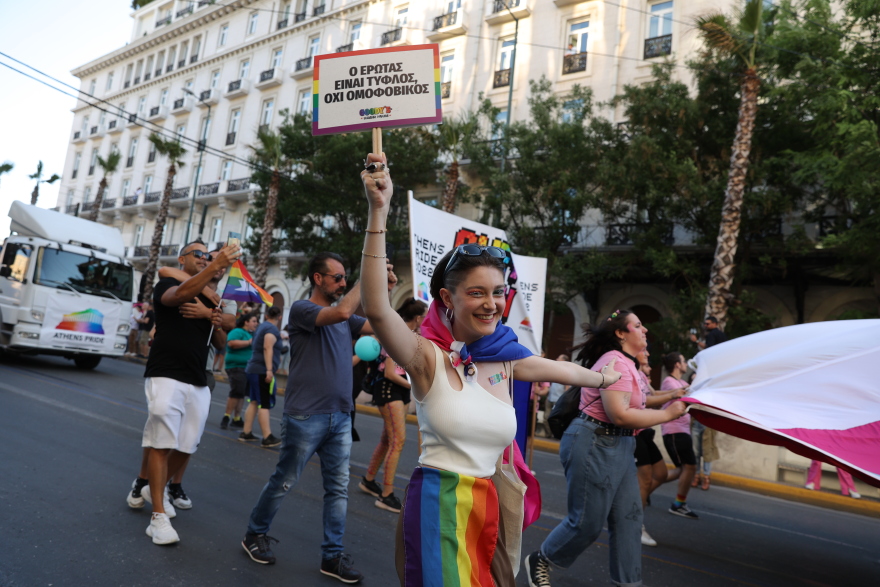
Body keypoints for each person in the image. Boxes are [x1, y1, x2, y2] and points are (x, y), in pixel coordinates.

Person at [357, 152, 625, 587]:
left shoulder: (504, 357)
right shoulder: (427, 358)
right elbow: (377, 309)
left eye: (498, 293)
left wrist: (601, 378)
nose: (491, 303)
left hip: (488, 505)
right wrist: (378, 209)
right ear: (448, 298)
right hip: (438, 504)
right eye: (477, 293)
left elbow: (555, 371)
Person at [240, 252, 391, 584]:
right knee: (284, 481)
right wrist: (369, 275)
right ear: (317, 279)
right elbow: (343, 310)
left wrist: (382, 288)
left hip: (340, 415)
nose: (342, 282)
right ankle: (254, 534)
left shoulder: (345, 319)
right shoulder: (303, 310)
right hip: (306, 415)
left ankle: (332, 556)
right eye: (337, 277)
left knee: (338, 490)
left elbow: (376, 322)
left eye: (345, 277)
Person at [525, 309, 687, 587]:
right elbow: (620, 414)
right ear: (621, 334)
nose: (645, 330)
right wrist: (670, 414)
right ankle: (542, 560)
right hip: (596, 441)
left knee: (629, 519)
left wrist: (674, 395)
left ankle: (628, 583)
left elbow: (644, 400)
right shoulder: (614, 362)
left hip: (621, 443)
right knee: (587, 523)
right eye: (638, 325)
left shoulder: (629, 365)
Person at [125, 240, 239, 545]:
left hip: (197, 379)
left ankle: (153, 488)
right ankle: (158, 517)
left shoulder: (211, 298)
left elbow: (221, 340)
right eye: (198, 254)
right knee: (161, 442)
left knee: (188, 445)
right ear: (182, 259)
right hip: (165, 373)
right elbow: (181, 292)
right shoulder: (166, 284)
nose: (204, 259)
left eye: (208, 256)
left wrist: (210, 315)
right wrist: (215, 268)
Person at [359, 298, 427, 514]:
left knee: (387, 439)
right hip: (389, 390)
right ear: (417, 318)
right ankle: (386, 495)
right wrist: (412, 384)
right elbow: (389, 372)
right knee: (398, 441)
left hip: (399, 391)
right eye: (424, 316)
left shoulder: (411, 337)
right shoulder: (395, 334)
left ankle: (369, 480)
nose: (426, 320)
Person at [632, 351, 685, 547]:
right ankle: (635, 524)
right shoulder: (632, 373)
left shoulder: (643, 376)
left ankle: (634, 502)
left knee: (661, 474)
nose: (648, 354)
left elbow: (654, 395)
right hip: (634, 432)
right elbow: (645, 401)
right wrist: (673, 395)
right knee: (644, 480)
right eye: (644, 352)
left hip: (645, 432)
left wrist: (682, 393)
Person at [660, 352, 699, 519]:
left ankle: (645, 485)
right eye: (684, 361)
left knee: (681, 469)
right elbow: (685, 393)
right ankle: (678, 504)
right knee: (689, 466)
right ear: (677, 364)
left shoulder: (682, 381)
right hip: (674, 431)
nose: (686, 365)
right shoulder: (669, 382)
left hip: (683, 431)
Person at [238, 305, 285, 448]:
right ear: (280, 317)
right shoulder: (271, 329)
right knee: (264, 403)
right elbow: (267, 347)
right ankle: (267, 437)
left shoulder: (261, 326)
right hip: (261, 370)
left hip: (253, 368)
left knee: (253, 401)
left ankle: (246, 433)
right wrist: (269, 370)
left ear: (266, 316)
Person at [221, 312, 259, 429]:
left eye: (256, 321)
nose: (256, 324)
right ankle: (226, 417)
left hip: (246, 367)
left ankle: (237, 418)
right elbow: (231, 343)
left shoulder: (249, 334)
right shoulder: (237, 332)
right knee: (236, 391)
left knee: (241, 393)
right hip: (236, 366)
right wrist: (248, 342)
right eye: (253, 321)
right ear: (246, 322)